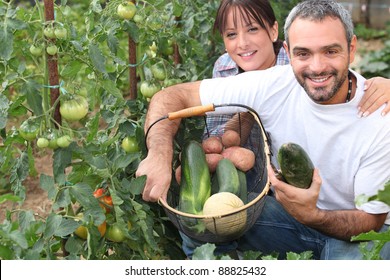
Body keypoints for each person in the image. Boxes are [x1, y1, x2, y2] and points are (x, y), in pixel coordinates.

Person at [136, 0, 390, 259]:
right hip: (290, 219)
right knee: (204, 221)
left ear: (352, 48)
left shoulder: (380, 116)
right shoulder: (273, 84)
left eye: (330, 52)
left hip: (357, 231)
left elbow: (372, 220)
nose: (317, 66)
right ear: (289, 52)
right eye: (303, 54)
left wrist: (312, 215)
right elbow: (171, 97)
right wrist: (158, 153)